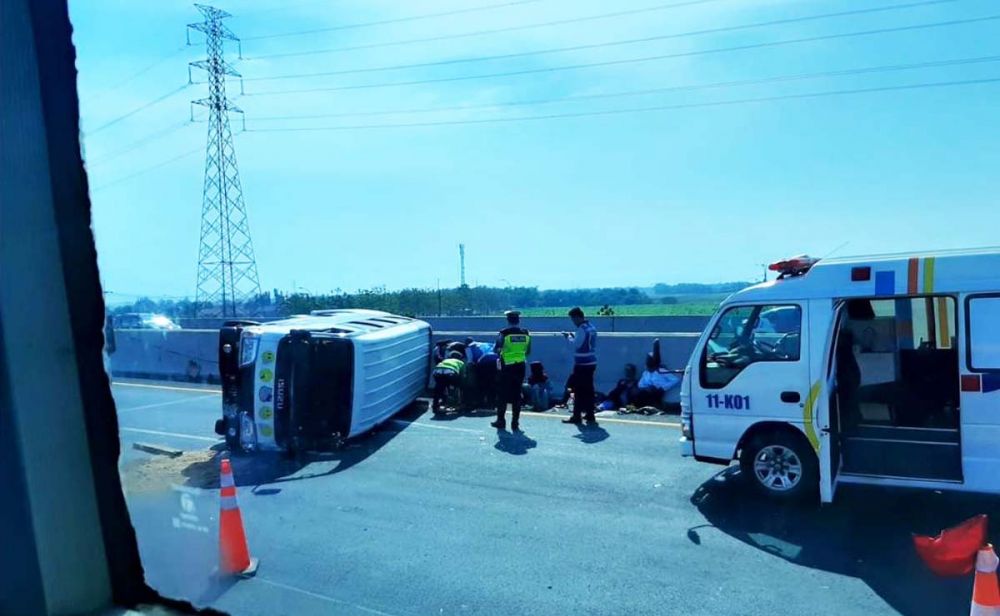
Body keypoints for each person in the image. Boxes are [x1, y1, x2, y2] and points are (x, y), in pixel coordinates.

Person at [493, 310, 531, 432]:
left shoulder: (503, 333)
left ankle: (501, 421)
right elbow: (528, 351)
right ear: (518, 320)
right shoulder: (526, 333)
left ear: (508, 320)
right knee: (516, 395)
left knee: (502, 394)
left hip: (506, 367)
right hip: (520, 366)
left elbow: (496, 349)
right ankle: (515, 423)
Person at [562, 307, 598, 425]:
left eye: (573, 319)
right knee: (589, 390)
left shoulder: (582, 329)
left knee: (578, 390)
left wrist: (569, 337)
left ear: (577, 317)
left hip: (582, 363)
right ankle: (590, 414)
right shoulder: (591, 327)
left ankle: (576, 416)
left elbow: (576, 345)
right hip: (591, 362)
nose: (573, 322)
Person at [631, 340, 681, 409]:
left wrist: (663, 387)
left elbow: (675, 379)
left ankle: (656, 405)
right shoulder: (646, 373)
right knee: (636, 392)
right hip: (646, 390)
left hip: (658, 391)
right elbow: (640, 384)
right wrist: (646, 387)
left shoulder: (661, 371)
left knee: (651, 394)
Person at [464, 337, 500, 409]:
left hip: (483, 362)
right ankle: (492, 402)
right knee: (492, 382)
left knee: (482, 383)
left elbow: (470, 361)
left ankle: (481, 402)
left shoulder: (469, 347)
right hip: (495, 360)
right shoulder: (485, 344)